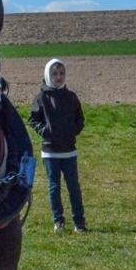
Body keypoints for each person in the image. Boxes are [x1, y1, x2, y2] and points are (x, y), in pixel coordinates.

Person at [28, 58, 86, 232]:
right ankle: (58, 221)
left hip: (69, 151)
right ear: (47, 75)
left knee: (74, 187)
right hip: (50, 152)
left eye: (61, 74)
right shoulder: (41, 98)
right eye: (54, 74)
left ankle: (79, 222)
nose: (58, 77)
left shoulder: (71, 97)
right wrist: (46, 131)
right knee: (54, 187)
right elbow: (32, 119)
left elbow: (79, 118)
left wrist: (72, 131)